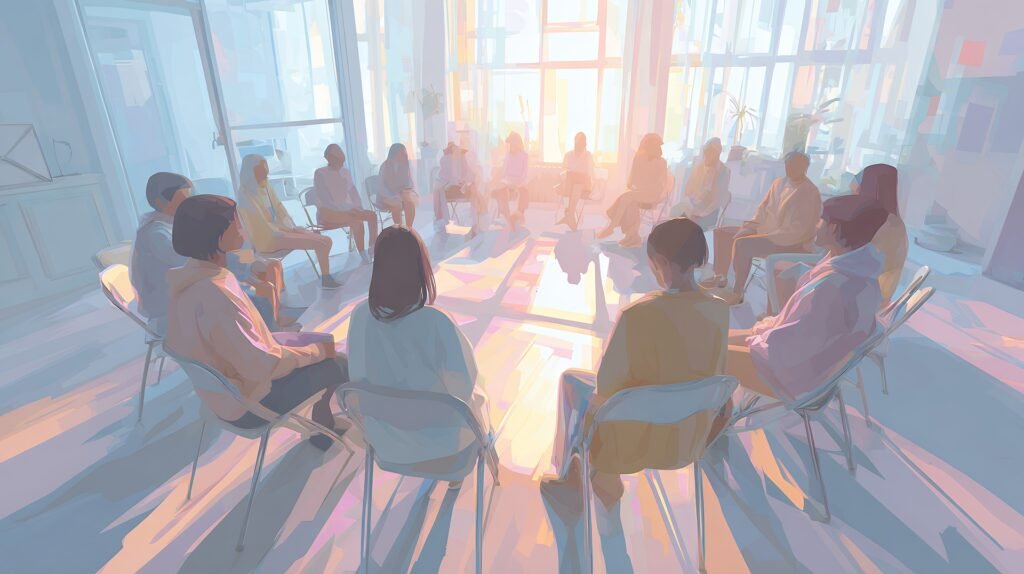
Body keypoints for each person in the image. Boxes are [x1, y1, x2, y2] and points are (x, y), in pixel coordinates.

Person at [541, 217, 730, 505]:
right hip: (686, 438)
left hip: (634, 440)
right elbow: (715, 370)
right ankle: (586, 475)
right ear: (700, 258)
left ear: (661, 263)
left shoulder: (637, 315)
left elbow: (607, 385)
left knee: (572, 381)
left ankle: (577, 475)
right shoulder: (718, 310)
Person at [165, 195, 348, 450]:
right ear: (217, 236)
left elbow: (245, 349)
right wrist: (315, 352)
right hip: (249, 403)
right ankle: (324, 431)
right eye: (236, 223)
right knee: (338, 362)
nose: (242, 229)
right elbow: (264, 366)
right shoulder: (216, 295)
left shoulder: (189, 280)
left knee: (322, 344)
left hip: (220, 394)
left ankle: (323, 426)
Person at [346, 225, 493, 486]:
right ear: (420, 268)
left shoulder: (359, 317)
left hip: (385, 442)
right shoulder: (437, 322)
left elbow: (358, 378)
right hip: (446, 445)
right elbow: (464, 385)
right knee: (482, 392)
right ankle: (457, 477)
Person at [725, 195, 889, 402]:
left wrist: (753, 338)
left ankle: (713, 415)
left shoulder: (833, 285)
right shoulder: (859, 273)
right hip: (804, 368)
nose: (815, 226)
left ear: (833, 228)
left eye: (820, 220)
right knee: (715, 338)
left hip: (787, 376)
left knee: (704, 351)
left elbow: (788, 347)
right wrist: (755, 333)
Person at [130, 172, 291, 333]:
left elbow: (205, 259)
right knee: (254, 297)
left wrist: (247, 266)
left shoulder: (170, 224)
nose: (189, 204)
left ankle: (271, 327)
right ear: (161, 202)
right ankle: (268, 335)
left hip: (189, 290)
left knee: (260, 283)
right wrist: (246, 267)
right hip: (170, 308)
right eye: (183, 200)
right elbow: (199, 262)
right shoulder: (156, 235)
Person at [768, 164, 908, 312]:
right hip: (859, 284)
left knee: (782, 269)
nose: (852, 198)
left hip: (857, 292)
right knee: (788, 269)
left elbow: (852, 261)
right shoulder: (890, 222)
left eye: (856, 192)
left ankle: (781, 317)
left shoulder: (876, 225)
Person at [705, 151, 821, 305]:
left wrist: (767, 235)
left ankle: (737, 291)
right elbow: (762, 209)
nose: (789, 168)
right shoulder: (779, 183)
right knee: (723, 233)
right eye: (788, 165)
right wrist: (751, 227)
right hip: (766, 230)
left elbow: (801, 229)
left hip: (789, 240)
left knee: (743, 244)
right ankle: (720, 277)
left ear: (804, 168)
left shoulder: (809, 191)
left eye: (794, 165)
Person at [236, 154, 341, 289]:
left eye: (266, 168)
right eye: (261, 169)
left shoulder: (265, 185)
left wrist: (292, 228)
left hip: (281, 232)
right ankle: (326, 279)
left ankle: (325, 277)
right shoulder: (245, 195)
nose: (266, 172)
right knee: (321, 243)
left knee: (326, 240)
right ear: (250, 171)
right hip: (268, 239)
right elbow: (261, 225)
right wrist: (288, 231)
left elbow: (280, 209)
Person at [597, 133, 669, 248]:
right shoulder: (639, 158)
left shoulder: (661, 162)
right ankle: (632, 236)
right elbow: (633, 181)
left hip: (653, 194)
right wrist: (638, 185)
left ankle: (612, 227)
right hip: (640, 192)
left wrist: (650, 188)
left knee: (627, 197)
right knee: (630, 202)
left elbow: (662, 184)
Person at [313, 144, 379, 263]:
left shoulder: (345, 172)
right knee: (356, 222)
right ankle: (362, 253)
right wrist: (347, 210)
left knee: (372, 216)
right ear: (328, 158)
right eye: (335, 158)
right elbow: (324, 200)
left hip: (347, 209)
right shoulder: (320, 173)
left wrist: (357, 208)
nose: (339, 162)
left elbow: (353, 193)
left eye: (340, 159)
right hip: (328, 212)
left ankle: (372, 248)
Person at [670, 137, 730, 230]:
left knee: (691, 224)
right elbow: (688, 190)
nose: (707, 156)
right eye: (706, 153)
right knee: (674, 213)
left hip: (709, 212)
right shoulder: (699, 168)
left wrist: (699, 214)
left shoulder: (724, 171)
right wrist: (690, 207)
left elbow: (717, 201)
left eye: (710, 153)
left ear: (717, 154)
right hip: (693, 206)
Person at [433, 141, 486, 234]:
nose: (458, 151)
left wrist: (464, 180)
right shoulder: (444, 160)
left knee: (473, 189)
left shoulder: (462, 159)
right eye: (455, 149)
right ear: (452, 150)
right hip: (449, 189)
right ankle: (441, 220)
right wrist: (452, 182)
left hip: (462, 188)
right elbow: (442, 176)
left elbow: (469, 173)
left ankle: (476, 221)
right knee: (438, 189)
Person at [558, 132, 596, 231]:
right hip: (571, 184)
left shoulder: (587, 155)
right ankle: (570, 216)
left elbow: (589, 173)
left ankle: (567, 212)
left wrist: (574, 175)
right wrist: (570, 176)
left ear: (584, 143)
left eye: (581, 142)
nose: (578, 144)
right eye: (577, 141)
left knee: (572, 177)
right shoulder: (568, 155)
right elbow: (563, 171)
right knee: (571, 180)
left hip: (585, 183)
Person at [493, 132, 531, 230]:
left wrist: (518, 184)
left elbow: (524, 174)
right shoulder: (508, 155)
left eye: (512, 142)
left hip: (519, 180)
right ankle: (507, 217)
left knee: (524, 191)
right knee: (501, 189)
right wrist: (506, 182)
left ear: (517, 143)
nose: (511, 145)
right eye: (510, 143)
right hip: (508, 180)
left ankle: (518, 215)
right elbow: (504, 172)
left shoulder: (524, 156)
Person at [377, 143, 418, 228]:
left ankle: (409, 229)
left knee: (410, 203)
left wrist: (406, 190)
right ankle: (399, 229)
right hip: (385, 196)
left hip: (401, 194)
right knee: (397, 205)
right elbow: (381, 188)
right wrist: (393, 195)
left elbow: (410, 183)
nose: (403, 156)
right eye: (401, 153)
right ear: (394, 154)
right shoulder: (385, 166)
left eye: (404, 153)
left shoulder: (406, 165)